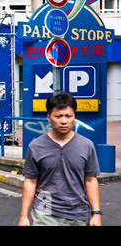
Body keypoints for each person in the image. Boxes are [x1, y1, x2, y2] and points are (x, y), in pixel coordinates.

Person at [18, 91, 101, 226]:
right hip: (45, 213)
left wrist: (96, 213)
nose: (63, 121)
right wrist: (23, 216)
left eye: (68, 116)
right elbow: (30, 181)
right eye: (58, 116)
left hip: (78, 213)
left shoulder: (86, 145)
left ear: (74, 117)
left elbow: (91, 180)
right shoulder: (36, 146)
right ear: (49, 117)